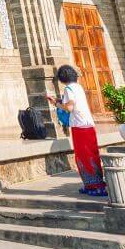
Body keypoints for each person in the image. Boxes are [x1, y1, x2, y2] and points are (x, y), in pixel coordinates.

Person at [47, 65, 105, 197]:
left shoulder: (68, 89)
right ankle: (97, 184)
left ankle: (94, 186)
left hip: (79, 127)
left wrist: (55, 104)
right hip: (88, 124)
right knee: (92, 154)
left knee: (83, 156)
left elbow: (69, 107)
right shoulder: (78, 87)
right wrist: (59, 101)